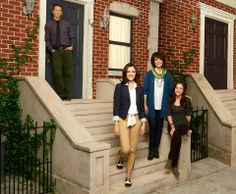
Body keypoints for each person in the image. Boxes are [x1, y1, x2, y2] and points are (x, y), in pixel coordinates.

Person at [113, 63, 146, 187]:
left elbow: (142, 107)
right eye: (128, 71)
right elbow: (116, 105)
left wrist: (143, 123)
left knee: (132, 150)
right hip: (123, 119)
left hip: (136, 119)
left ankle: (128, 176)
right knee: (126, 149)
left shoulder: (140, 88)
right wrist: (116, 123)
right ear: (125, 73)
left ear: (136, 73)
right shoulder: (119, 87)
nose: (131, 73)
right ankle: (121, 156)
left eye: (133, 71)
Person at [143, 52, 173, 160]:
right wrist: (145, 105)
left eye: (160, 59)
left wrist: (184, 96)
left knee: (159, 128)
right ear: (153, 62)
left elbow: (171, 91)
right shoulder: (149, 74)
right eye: (156, 60)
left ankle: (156, 150)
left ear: (163, 61)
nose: (158, 61)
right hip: (151, 106)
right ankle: (151, 151)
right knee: (153, 127)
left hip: (162, 106)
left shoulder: (167, 75)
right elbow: (145, 91)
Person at [45, 3, 75, 101]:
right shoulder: (49, 24)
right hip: (56, 51)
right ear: (53, 11)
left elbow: (72, 37)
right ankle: (61, 94)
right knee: (57, 73)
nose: (58, 12)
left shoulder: (67, 24)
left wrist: (72, 46)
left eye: (59, 10)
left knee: (68, 73)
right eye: (56, 10)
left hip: (66, 51)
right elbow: (47, 39)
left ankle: (67, 95)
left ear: (61, 13)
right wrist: (52, 50)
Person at [165, 82, 192, 179]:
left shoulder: (187, 100)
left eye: (181, 88)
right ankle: (174, 165)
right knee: (177, 136)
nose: (178, 90)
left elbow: (188, 116)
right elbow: (168, 115)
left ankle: (170, 160)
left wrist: (187, 128)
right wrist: (172, 126)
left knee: (177, 132)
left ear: (183, 90)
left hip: (183, 125)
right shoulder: (170, 101)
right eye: (177, 87)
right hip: (173, 125)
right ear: (174, 89)